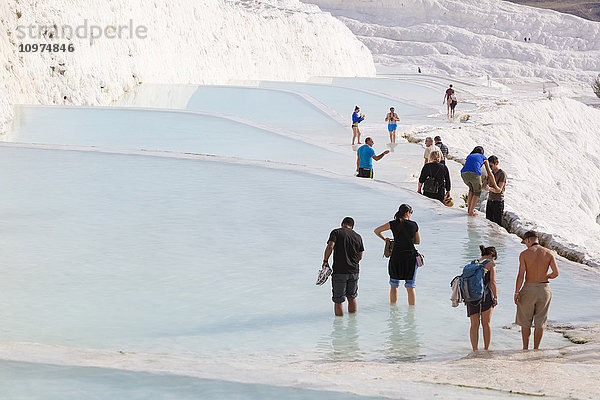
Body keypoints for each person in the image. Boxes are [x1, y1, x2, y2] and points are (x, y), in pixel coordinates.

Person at [514, 231, 559, 349]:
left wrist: (517, 292)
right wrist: (547, 276)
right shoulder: (549, 253)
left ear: (528, 240)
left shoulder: (524, 254)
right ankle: (536, 349)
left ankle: (525, 348)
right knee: (540, 321)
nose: (525, 245)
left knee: (525, 321)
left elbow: (521, 275)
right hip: (544, 289)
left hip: (529, 287)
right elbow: (556, 273)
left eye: (525, 242)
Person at [374, 204, 421, 305]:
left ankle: (393, 312)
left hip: (396, 257)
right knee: (410, 286)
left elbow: (377, 231)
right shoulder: (414, 225)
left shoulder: (393, 224)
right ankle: (411, 315)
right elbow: (418, 241)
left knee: (394, 285)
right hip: (410, 258)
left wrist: (385, 239)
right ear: (407, 212)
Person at [322, 217, 364, 317]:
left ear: (342, 224)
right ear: (352, 226)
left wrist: (325, 261)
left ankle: (339, 329)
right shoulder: (358, 236)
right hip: (354, 271)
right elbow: (360, 256)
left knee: (338, 300)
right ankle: (352, 326)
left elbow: (330, 246)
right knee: (352, 298)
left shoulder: (336, 232)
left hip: (339, 271)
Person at [467, 245, 498, 351]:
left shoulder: (472, 263)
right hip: (486, 296)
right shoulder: (491, 264)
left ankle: (474, 350)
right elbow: (492, 282)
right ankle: (486, 349)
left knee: (474, 324)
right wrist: (496, 297)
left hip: (471, 297)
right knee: (486, 323)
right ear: (491, 255)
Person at [460, 146, 499, 216]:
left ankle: (469, 209)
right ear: (482, 153)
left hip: (464, 175)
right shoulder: (483, 158)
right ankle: (471, 212)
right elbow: (490, 173)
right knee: (477, 192)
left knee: (471, 190)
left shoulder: (469, 156)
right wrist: (496, 186)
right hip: (474, 175)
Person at [483, 155, 507, 226]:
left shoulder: (502, 174)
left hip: (498, 201)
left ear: (496, 163)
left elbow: (499, 190)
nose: (490, 168)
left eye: (491, 166)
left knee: (497, 225)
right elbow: (484, 184)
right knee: (488, 223)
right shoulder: (491, 173)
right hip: (490, 200)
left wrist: (489, 188)